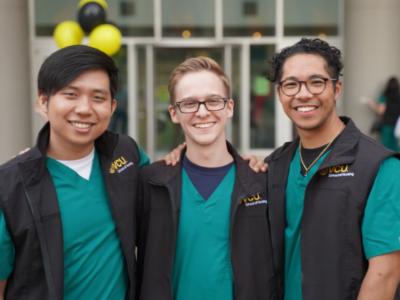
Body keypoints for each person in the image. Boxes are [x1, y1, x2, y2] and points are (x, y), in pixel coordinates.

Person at [0, 45, 150, 299]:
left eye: (98, 98)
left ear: (113, 106)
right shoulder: (11, 185)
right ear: (43, 101)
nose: (84, 108)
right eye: (70, 94)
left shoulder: (125, 154)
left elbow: (169, 191)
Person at [265, 38, 400, 299]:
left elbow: (385, 276)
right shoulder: (274, 166)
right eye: (291, 84)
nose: (303, 94)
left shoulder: (380, 167)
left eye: (316, 82)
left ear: (337, 88)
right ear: (280, 93)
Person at [136, 57, 276, 300]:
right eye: (189, 103)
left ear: (229, 107)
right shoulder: (150, 184)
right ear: (173, 113)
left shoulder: (263, 183)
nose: (202, 112)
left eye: (213, 101)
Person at [368, 76, 400, 151]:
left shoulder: (385, 96)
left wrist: (371, 104)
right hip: (397, 126)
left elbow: (380, 111)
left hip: (387, 126)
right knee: (396, 147)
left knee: (386, 148)